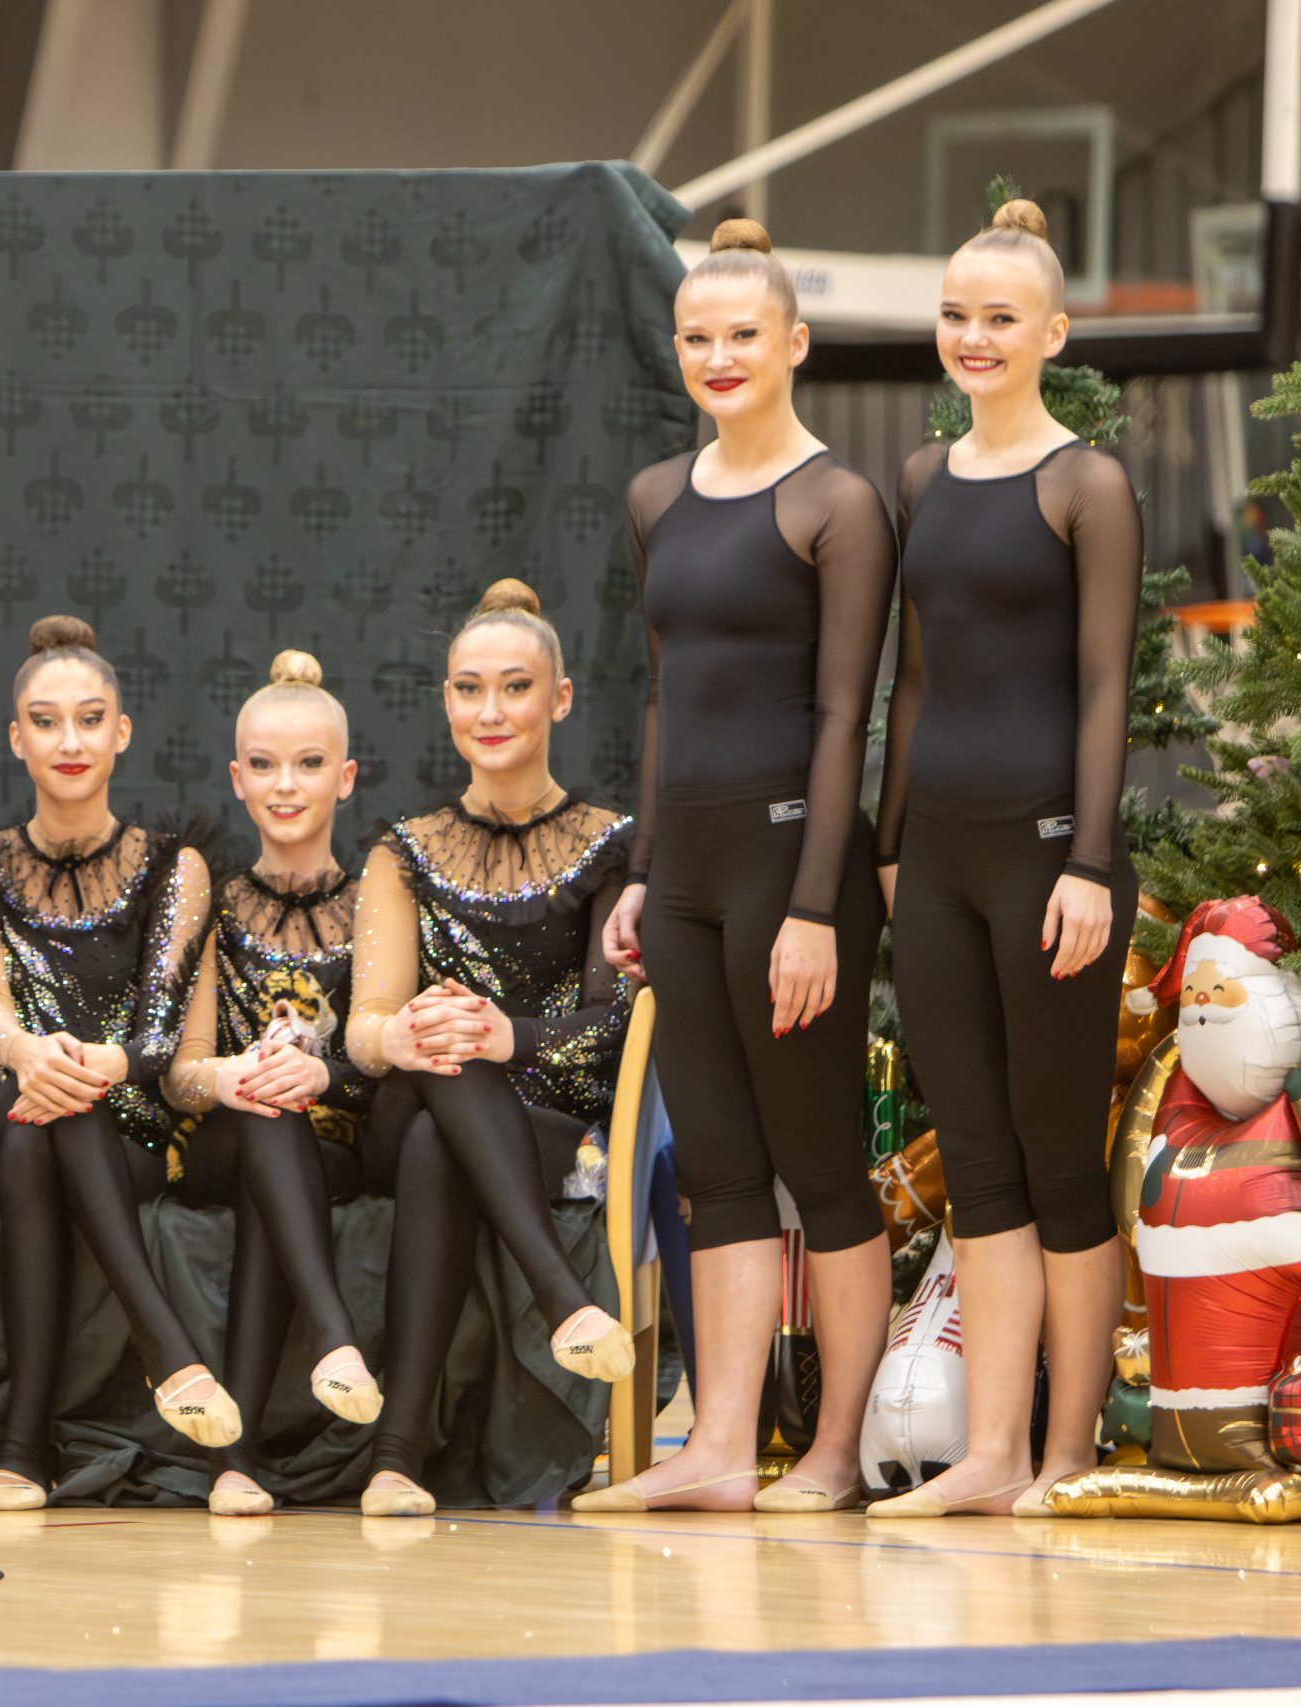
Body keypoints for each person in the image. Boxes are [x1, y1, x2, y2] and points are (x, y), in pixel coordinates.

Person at [584, 218, 893, 1514]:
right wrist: (644, 872)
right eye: (696, 338)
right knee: (713, 1164)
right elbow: (666, 700)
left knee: (816, 1161)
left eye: (742, 336)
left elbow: (843, 716)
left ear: (795, 343)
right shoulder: (656, 497)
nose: (718, 357)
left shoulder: (837, 505)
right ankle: (715, 1447)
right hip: (690, 877)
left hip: (793, 872)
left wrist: (815, 906)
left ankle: (832, 1450)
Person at [866, 199, 1137, 1519]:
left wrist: (1087, 858)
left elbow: (1103, 686)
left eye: (999, 318)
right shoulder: (923, 478)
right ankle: (991, 1453)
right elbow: (913, 681)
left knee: (1058, 1157)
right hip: (937, 861)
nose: (972, 337)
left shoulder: (1086, 486)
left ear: (1053, 334)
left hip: (1048, 860)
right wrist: (888, 846)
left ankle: (1067, 1446)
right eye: (955, 316)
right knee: (974, 1151)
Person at [350, 581, 637, 1519]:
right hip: (409, 1098)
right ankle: (562, 1301)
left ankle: (395, 1458)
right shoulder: (403, 850)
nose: (491, 710)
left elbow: (615, 1025)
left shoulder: (610, 847)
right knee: (445, 1058)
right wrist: (400, 1032)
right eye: (470, 689)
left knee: (448, 1125)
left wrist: (507, 1034)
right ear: (446, 701)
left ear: (560, 697)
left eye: (515, 687)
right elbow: (363, 1028)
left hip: (552, 1130)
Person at [0, 614, 232, 1511]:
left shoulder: (173, 866)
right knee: (33, 1115)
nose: (69, 741)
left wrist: (96, 1063)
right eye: (46, 721)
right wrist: (28, 1053)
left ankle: (23, 1449)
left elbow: (164, 1033)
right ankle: (166, 1348)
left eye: (89, 719)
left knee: (53, 1122)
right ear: (16, 738)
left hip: (126, 1137)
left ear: (122, 731)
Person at [163, 650, 381, 1519]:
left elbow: (387, 1062)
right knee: (262, 1116)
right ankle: (333, 1337)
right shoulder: (210, 905)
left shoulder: (376, 903)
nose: (285, 785)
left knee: (277, 1148)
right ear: (237, 779)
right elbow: (178, 1075)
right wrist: (233, 1074)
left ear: (346, 778)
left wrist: (321, 1071)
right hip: (218, 1136)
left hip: (331, 1145)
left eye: (309, 763)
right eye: (264, 764)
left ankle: (234, 1458)